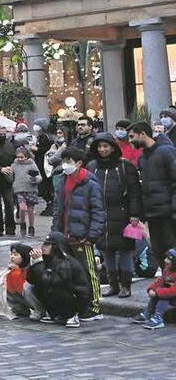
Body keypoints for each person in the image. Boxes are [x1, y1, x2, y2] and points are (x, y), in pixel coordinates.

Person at [86, 133, 142, 299]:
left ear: (112, 147)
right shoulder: (92, 167)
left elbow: (135, 192)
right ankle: (113, 284)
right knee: (106, 250)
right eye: (99, 146)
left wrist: (134, 213)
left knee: (124, 250)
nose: (102, 150)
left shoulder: (125, 166)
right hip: (100, 215)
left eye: (106, 146)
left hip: (122, 215)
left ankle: (126, 285)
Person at [51, 146, 104, 320]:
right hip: (65, 235)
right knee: (71, 273)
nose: (65, 165)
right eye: (63, 161)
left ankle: (95, 307)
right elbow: (58, 209)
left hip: (82, 236)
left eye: (69, 161)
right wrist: (55, 232)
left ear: (79, 163)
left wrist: (92, 235)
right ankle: (78, 305)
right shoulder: (62, 181)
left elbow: (98, 211)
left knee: (89, 272)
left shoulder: (89, 183)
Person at [129, 121, 176, 265]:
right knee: (159, 252)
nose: (130, 141)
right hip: (153, 214)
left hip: (168, 213)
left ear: (143, 134)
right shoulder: (142, 158)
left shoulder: (166, 151)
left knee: (172, 252)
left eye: (132, 136)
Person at [24, 231, 91, 328]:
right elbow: (32, 280)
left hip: (76, 297)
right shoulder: (47, 259)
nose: (43, 247)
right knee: (29, 287)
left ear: (56, 247)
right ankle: (54, 314)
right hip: (61, 292)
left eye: (47, 244)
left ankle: (71, 316)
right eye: (43, 244)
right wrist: (33, 263)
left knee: (54, 289)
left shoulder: (66, 261)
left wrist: (38, 264)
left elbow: (54, 281)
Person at [131, 247, 176, 330]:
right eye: (166, 258)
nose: (165, 260)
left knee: (162, 294)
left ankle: (158, 317)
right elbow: (160, 281)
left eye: (169, 259)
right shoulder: (167, 269)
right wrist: (151, 289)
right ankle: (147, 313)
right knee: (159, 291)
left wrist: (157, 293)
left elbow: (174, 291)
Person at [11, 145, 42, 238]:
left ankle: (31, 227)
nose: (20, 159)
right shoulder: (14, 165)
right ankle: (22, 223)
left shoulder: (32, 164)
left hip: (31, 190)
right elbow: (10, 178)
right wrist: (8, 174)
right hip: (19, 190)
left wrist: (34, 178)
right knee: (22, 208)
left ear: (26, 156)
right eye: (18, 157)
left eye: (22, 157)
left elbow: (39, 177)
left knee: (30, 210)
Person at [5, 243, 35, 318]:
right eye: (11, 254)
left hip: (34, 298)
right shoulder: (16, 268)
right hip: (23, 297)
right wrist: (10, 273)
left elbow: (21, 289)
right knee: (4, 287)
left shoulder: (31, 268)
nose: (12, 257)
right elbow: (12, 290)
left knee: (26, 287)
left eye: (15, 254)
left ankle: (39, 311)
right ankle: (20, 310)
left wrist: (15, 272)